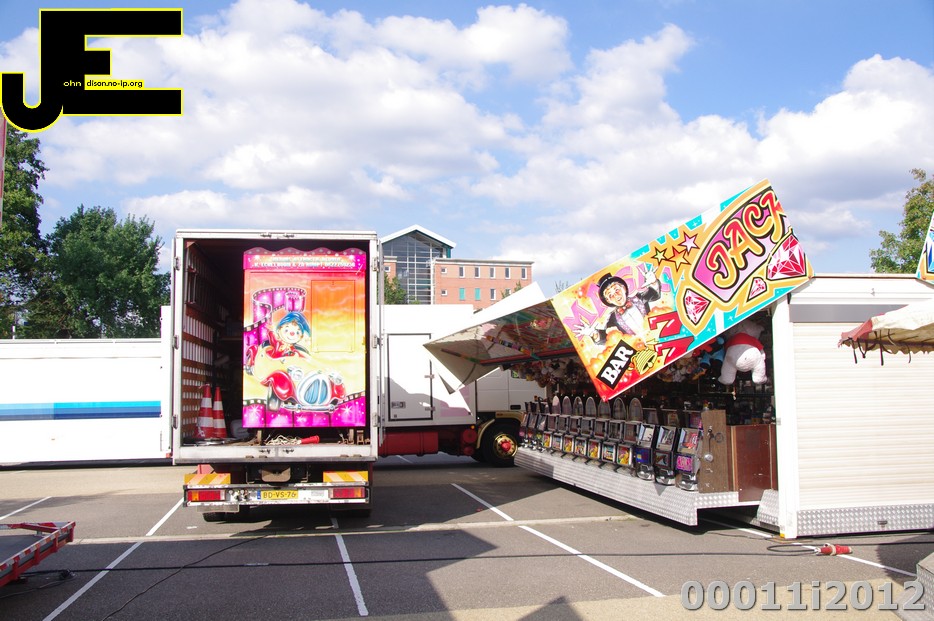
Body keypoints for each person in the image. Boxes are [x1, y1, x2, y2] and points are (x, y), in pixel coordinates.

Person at [576, 267, 661, 346]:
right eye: (610, 295)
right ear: (608, 300)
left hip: (659, 337)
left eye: (617, 290)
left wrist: (653, 281)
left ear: (623, 288)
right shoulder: (613, 318)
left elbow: (655, 294)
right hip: (640, 348)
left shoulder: (639, 298)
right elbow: (606, 336)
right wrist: (593, 333)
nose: (616, 295)